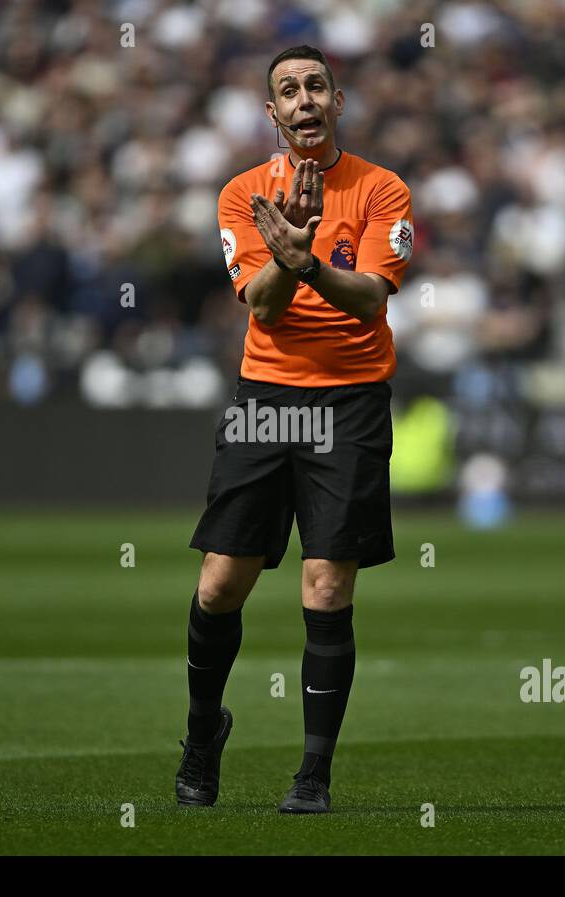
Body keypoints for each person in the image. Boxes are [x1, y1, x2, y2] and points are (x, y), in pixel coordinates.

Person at [175, 44, 415, 814]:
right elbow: (264, 307)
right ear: (271, 113)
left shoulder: (383, 190)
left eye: (316, 86)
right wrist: (291, 250)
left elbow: (373, 300)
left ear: (338, 102)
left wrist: (307, 258)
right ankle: (203, 733)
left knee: (326, 582)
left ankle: (312, 775)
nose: (304, 99)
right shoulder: (243, 194)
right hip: (267, 397)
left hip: (350, 400)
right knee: (219, 585)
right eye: (289, 90)